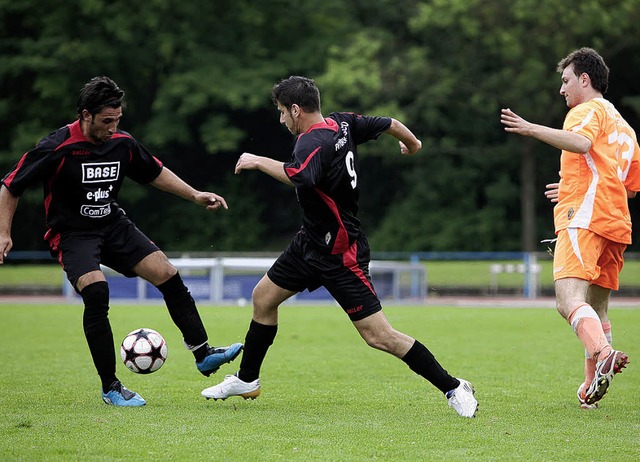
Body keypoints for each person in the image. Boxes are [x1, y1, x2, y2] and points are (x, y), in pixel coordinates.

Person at [200, 75, 478, 418]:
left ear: (296, 109)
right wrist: (413, 142)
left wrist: (257, 160)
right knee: (263, 298)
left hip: (340, 253)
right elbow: (388, 122)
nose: (281, 119)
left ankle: (454, 387)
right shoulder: (342, 123)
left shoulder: (309, 143)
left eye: (282, 112)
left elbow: (297, 175)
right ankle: (247, 379)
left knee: (380, 337)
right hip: (309, 243)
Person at [0, 76, 243, 407]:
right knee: (97, 292)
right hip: (72, 234)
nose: (113, 127)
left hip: (113, 225)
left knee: (167, 274)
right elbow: (10, 185)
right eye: (106, 121)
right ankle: (111, 387)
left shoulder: (122, 143)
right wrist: (4, 233)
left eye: (117, 120)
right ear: (85, 115)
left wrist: (195, 195)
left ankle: (203, 353)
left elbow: (155, 172)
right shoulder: (57, 146)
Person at [501, 47, 640, 408]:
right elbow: (625, 183)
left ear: (584, 79)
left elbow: (581, 143)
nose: (561, 90)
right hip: (616, 222)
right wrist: (570, 186)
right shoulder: (624, 126)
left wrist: (531, 129)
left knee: (568, 300)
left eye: (565, 81)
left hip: (584, 217)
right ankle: (591, 387)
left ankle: (603, 353)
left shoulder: (586, 110)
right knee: (598, 307)